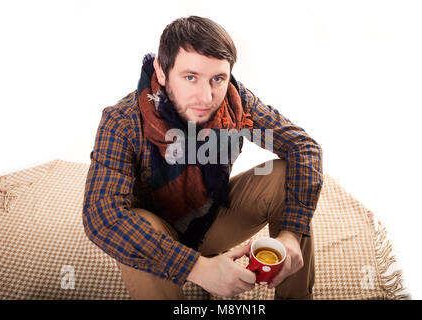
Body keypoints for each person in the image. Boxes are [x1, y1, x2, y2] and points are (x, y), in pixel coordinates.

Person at [82, 15, 323, 300]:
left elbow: (302, 148)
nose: (206, 97)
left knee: (285, 174)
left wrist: (291, 235)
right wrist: (197, 268)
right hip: (156, 237)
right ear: (161, 71)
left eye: (217, 79)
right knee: (138, 224)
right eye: (190, 77)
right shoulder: (122, 121)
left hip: (210, 219)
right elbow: (101, 214)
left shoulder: (236, 102)